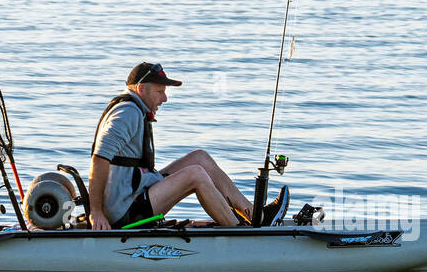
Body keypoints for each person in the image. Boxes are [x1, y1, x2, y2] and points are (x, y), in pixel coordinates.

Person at [87, 62, 282, 229]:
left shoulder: (134, 108)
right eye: (160, 92)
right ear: (141, 89)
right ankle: (240, 233)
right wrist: (96, 213)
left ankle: (259, 217)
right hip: (124, 211)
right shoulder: (127, 113)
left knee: (200, 158)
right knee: (195, 174)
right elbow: (99, 159)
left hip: (135, 193)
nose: (165, 98)